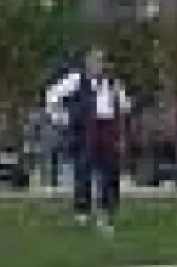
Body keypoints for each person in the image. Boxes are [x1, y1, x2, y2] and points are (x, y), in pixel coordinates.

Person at [45, 47, 132, 234]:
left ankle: (107, 210)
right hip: (87, 128)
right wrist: (61, 117)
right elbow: (52, 94)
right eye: (95, 61)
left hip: (108, 127)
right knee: (83, 170)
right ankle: (82, 211)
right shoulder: (76, 80)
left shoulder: (113, 83)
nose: (99, 65)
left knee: (110, 171)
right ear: (88, 63)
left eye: (102, 61)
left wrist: (119, 100)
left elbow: (125, 107)